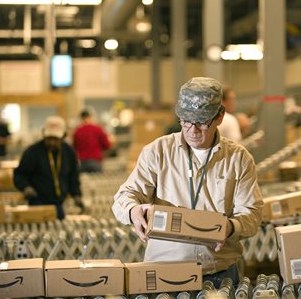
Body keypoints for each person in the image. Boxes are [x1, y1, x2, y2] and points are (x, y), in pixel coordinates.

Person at [112, 77, 263, 288]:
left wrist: (230, 227)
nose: (192, 130)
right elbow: (124, 196)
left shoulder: (238, 159)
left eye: (201, 122)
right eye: (186, 121)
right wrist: (132, 211)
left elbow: (253, 213)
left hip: (219, 274)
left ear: (219, 117)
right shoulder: (158, 152)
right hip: (164, 273)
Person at [13, 116, 83, 219]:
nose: (52, 143)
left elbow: (73, 176)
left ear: (63, 136)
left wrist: (76, 194)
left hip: (59, 203)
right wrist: (25, 187)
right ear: (43, 134)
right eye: (49, 138)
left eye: (55, 139)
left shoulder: (68, 152)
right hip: (37, 202)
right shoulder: (32, 152)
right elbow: (19, 174)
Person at [73, 108, 111, 173]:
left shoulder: (77, 131)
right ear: (90, 117)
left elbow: (74, 147)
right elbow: (107, 145)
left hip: (82, 162)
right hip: (95, 161)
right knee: (97, 181)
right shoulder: (98, 129)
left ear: (81, 118)